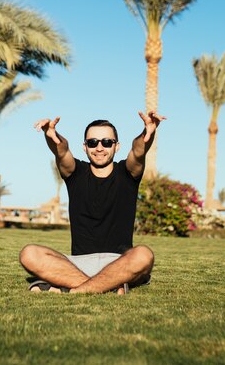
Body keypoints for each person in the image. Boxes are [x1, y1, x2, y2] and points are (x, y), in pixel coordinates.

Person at [19, 110, 165, 294]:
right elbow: (61, 150)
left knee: (144, 255)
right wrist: (51, 135)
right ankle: (109, 286)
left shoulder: (128, 173)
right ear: (85, 147)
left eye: (107, 142)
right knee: (29, 253)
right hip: (78, 263)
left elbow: (138, 151)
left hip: (119, 261)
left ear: (116, 146)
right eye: (92, 142)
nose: (99, 147)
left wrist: (147, 133)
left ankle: (71, 288)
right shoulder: (75, 173)